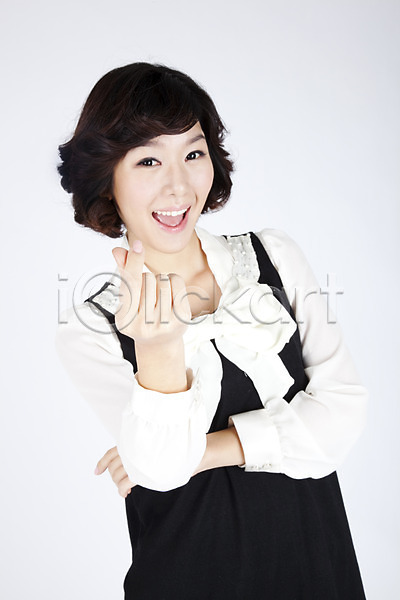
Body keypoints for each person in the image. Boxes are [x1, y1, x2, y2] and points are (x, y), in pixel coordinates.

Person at [56, 62, 367, 599]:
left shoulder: (274, 257)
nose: (178, 185)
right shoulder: (91, 328)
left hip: (319, 569)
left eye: (193, 154)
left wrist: (205, 452)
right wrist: (157, 346)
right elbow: (162, 470)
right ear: (108, 179)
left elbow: (343, 414)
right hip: (186, 577)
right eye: (148, 160)